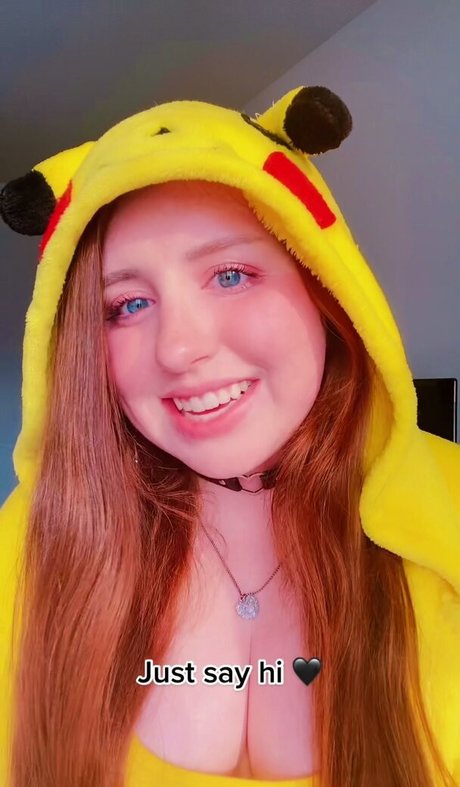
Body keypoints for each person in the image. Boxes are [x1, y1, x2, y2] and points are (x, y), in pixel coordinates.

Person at [0, 86, 459, 787]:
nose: (180, 348)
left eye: (232, 274)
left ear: (325, 286)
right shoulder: (33, 540)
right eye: (128, 304)